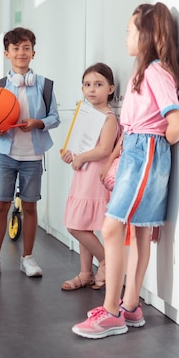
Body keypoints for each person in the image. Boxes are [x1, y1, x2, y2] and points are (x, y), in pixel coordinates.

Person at [72, 2, 179, 339]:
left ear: (147, 34)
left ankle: (110, 313)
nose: (126, 37)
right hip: (139, 151)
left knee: (111, 229)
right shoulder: (147, 71)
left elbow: (176, 122)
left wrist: (151, 145)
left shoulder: (153, 71)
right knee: (136, 233)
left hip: (145, 152)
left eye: (130, 31)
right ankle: (131, 307)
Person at [0, 27, 60, 279]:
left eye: (26, 48)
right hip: (6, 155)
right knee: (1, 205)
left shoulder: (44, 85)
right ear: (6, 53)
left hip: (33, 156)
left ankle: (28, 258)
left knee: (30, 207)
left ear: (33, 53)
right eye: (15, 48)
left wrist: (39, 123)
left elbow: (54, 117)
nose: (21, 52)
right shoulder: (0, 86)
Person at [60, 63, 121, 291]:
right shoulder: (87, 115)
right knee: (82, 226)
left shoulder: (108, 118)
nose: (92, 89)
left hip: (95, 178)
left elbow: (105, 149)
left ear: (111, 89)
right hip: (82, 175)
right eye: (87, 85)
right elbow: (81, 147)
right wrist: (72, 155)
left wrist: (82, 157)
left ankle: (106, 260)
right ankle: (85, 274)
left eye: (98, 84)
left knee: (76, 226)